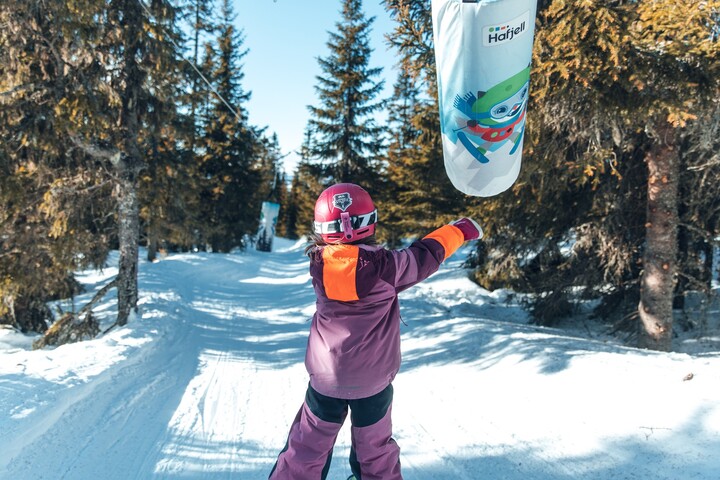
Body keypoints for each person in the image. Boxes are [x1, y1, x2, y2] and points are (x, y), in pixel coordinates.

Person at [269, 183, 482, 480]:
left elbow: (347, 257)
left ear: (321, 229)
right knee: (375, 449)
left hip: (326, 378)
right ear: (371, 221)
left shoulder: (318, 265)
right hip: (373, 381)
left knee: (307, 447)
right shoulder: (389, 268)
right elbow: (427, 254)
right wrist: (459, 230)